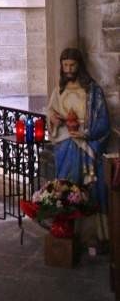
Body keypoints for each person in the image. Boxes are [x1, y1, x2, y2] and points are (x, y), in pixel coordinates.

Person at [46, 47, 110, 246]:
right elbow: (51, 112)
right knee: (66, 186)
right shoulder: (59, 90)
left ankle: (91, 235)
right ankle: (67, 229)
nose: (68, 69)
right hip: (65, 145)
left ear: (79, 65)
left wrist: (86, 133)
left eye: (72, 65)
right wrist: (54, 119)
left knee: (90, 189)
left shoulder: (93, 91)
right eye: (65, 65)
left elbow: (104, 122)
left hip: (87, 147)